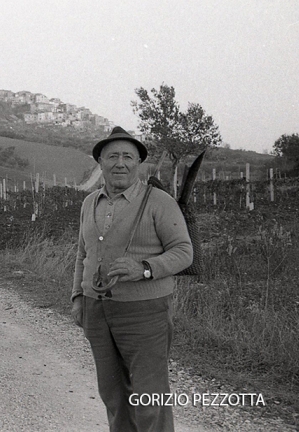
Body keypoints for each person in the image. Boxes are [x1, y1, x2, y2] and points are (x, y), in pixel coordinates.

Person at [71, 126, 193, 432]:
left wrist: (145, 268)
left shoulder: (159, 202)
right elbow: (82, 254)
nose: (120, 163)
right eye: (112, 156)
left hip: (144, 311)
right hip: (95, 310)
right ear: (100, 162)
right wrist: (77, 297)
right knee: (113, 396)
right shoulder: (89, 204)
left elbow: (184, 252)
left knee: (150, 398)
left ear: (139, 162)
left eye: (128, 156)